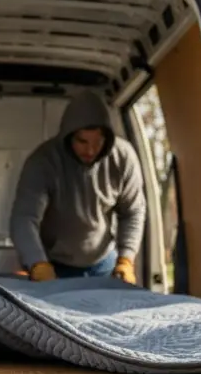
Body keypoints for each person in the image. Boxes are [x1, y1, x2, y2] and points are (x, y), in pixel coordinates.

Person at [8, 90, 147, 284]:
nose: (90, 150)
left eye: (98, 142)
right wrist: (37, 263)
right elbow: (24, 218)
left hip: (105, 263)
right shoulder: (43, 161)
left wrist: (126, 259)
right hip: (54, 265)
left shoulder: (123, 158)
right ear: (69, 136)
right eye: (83, 141)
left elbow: (133, 211)